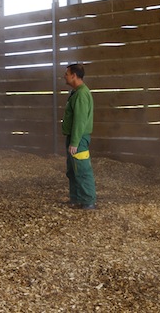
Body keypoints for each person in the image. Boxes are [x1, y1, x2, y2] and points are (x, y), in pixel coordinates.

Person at [61, 63, 96, 210]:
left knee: (81, 169)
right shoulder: (76, 92)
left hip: (79, 139)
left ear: (74, 75)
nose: (65, 76)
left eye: (67, 73)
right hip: (75, 138)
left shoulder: (81, 94)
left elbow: (80, 121)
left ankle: (88, 201)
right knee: (73, 170)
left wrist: (74, 142)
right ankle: (76, 199)